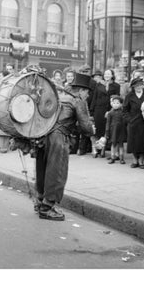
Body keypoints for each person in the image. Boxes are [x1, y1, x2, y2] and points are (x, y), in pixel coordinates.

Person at [35, 73, 95, 221]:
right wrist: (93, 131)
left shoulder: (58, 96)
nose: (87, 96)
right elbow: (86, 127)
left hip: (42, 136)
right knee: (57, 171)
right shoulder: (77, 101)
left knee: (42, 169)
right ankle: (47, 207)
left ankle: (40, 201)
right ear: (81, 90)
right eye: (87, 92)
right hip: (58, 138)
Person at [123, 76, 144, 169]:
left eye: (140, 85)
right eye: (136, 86)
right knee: (133, 142)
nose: (138, 87)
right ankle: (134, 160)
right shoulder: (129, 96)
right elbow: (125, 110)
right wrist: (129, 120)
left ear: (143, 85)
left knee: (143, 142)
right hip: (133, 122)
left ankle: (141, 161)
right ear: (133, 86)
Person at [90, 69, 120, 156]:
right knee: (97, 130)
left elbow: (116, 99)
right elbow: (94, 98)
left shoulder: (116, 86)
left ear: (112, 75)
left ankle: (102, 149)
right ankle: (95, 149)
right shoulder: (99, 84)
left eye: (108, 74)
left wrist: (112, 110)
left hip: (109, 110)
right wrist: (92, 111)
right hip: (98, 110)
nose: (106, 75)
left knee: (105, 130)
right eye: (105, 74)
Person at [105, 95, 126, 164]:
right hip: (113, 130)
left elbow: (125, 121)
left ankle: (121, 158)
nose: (115, 105)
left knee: (121, 144)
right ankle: (112, 157)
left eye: (117, 103)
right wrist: (107, 131)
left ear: (121, 104)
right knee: (113, 144)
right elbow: (108, 123)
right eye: (114, 103)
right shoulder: (110, 113)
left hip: (121, 130)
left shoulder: (123, 112)